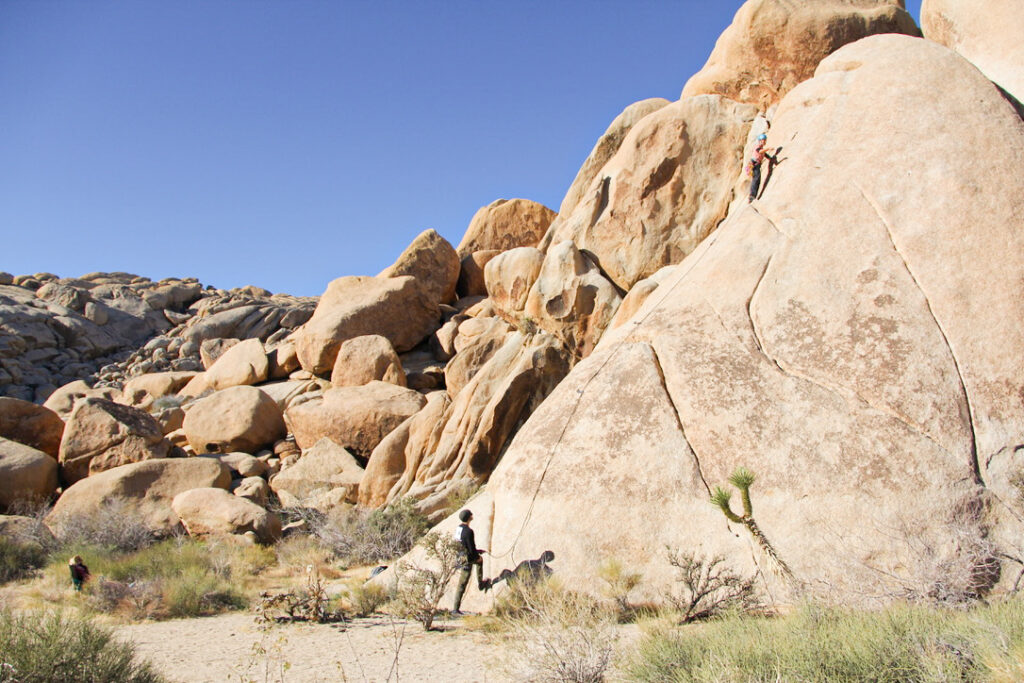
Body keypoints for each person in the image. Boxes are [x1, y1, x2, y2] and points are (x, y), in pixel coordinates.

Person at [451, 509, 490, 615]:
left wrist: (478, 552)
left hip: (460, 556)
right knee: (463, 583)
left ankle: (481, 583)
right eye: (471, 515)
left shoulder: (459, 528)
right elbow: (471, 547)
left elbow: (461, 543)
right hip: (467, 558)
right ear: (469, 518)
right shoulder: (469, 531)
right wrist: (476, 556)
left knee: (478, 561)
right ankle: (455, 608)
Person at [747, 133, 777, 202]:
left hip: (756, 165)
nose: (764, 142)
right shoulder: (758, 146)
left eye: (765, 140)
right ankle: (752, 196)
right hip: (754, 164)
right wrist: (768, 148)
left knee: (757, 180)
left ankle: (753, 195)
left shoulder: (761, 148)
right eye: (763, 140)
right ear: (760, 141)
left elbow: (765, 155)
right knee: (756, 179)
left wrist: (772, 159)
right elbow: (760, 151)